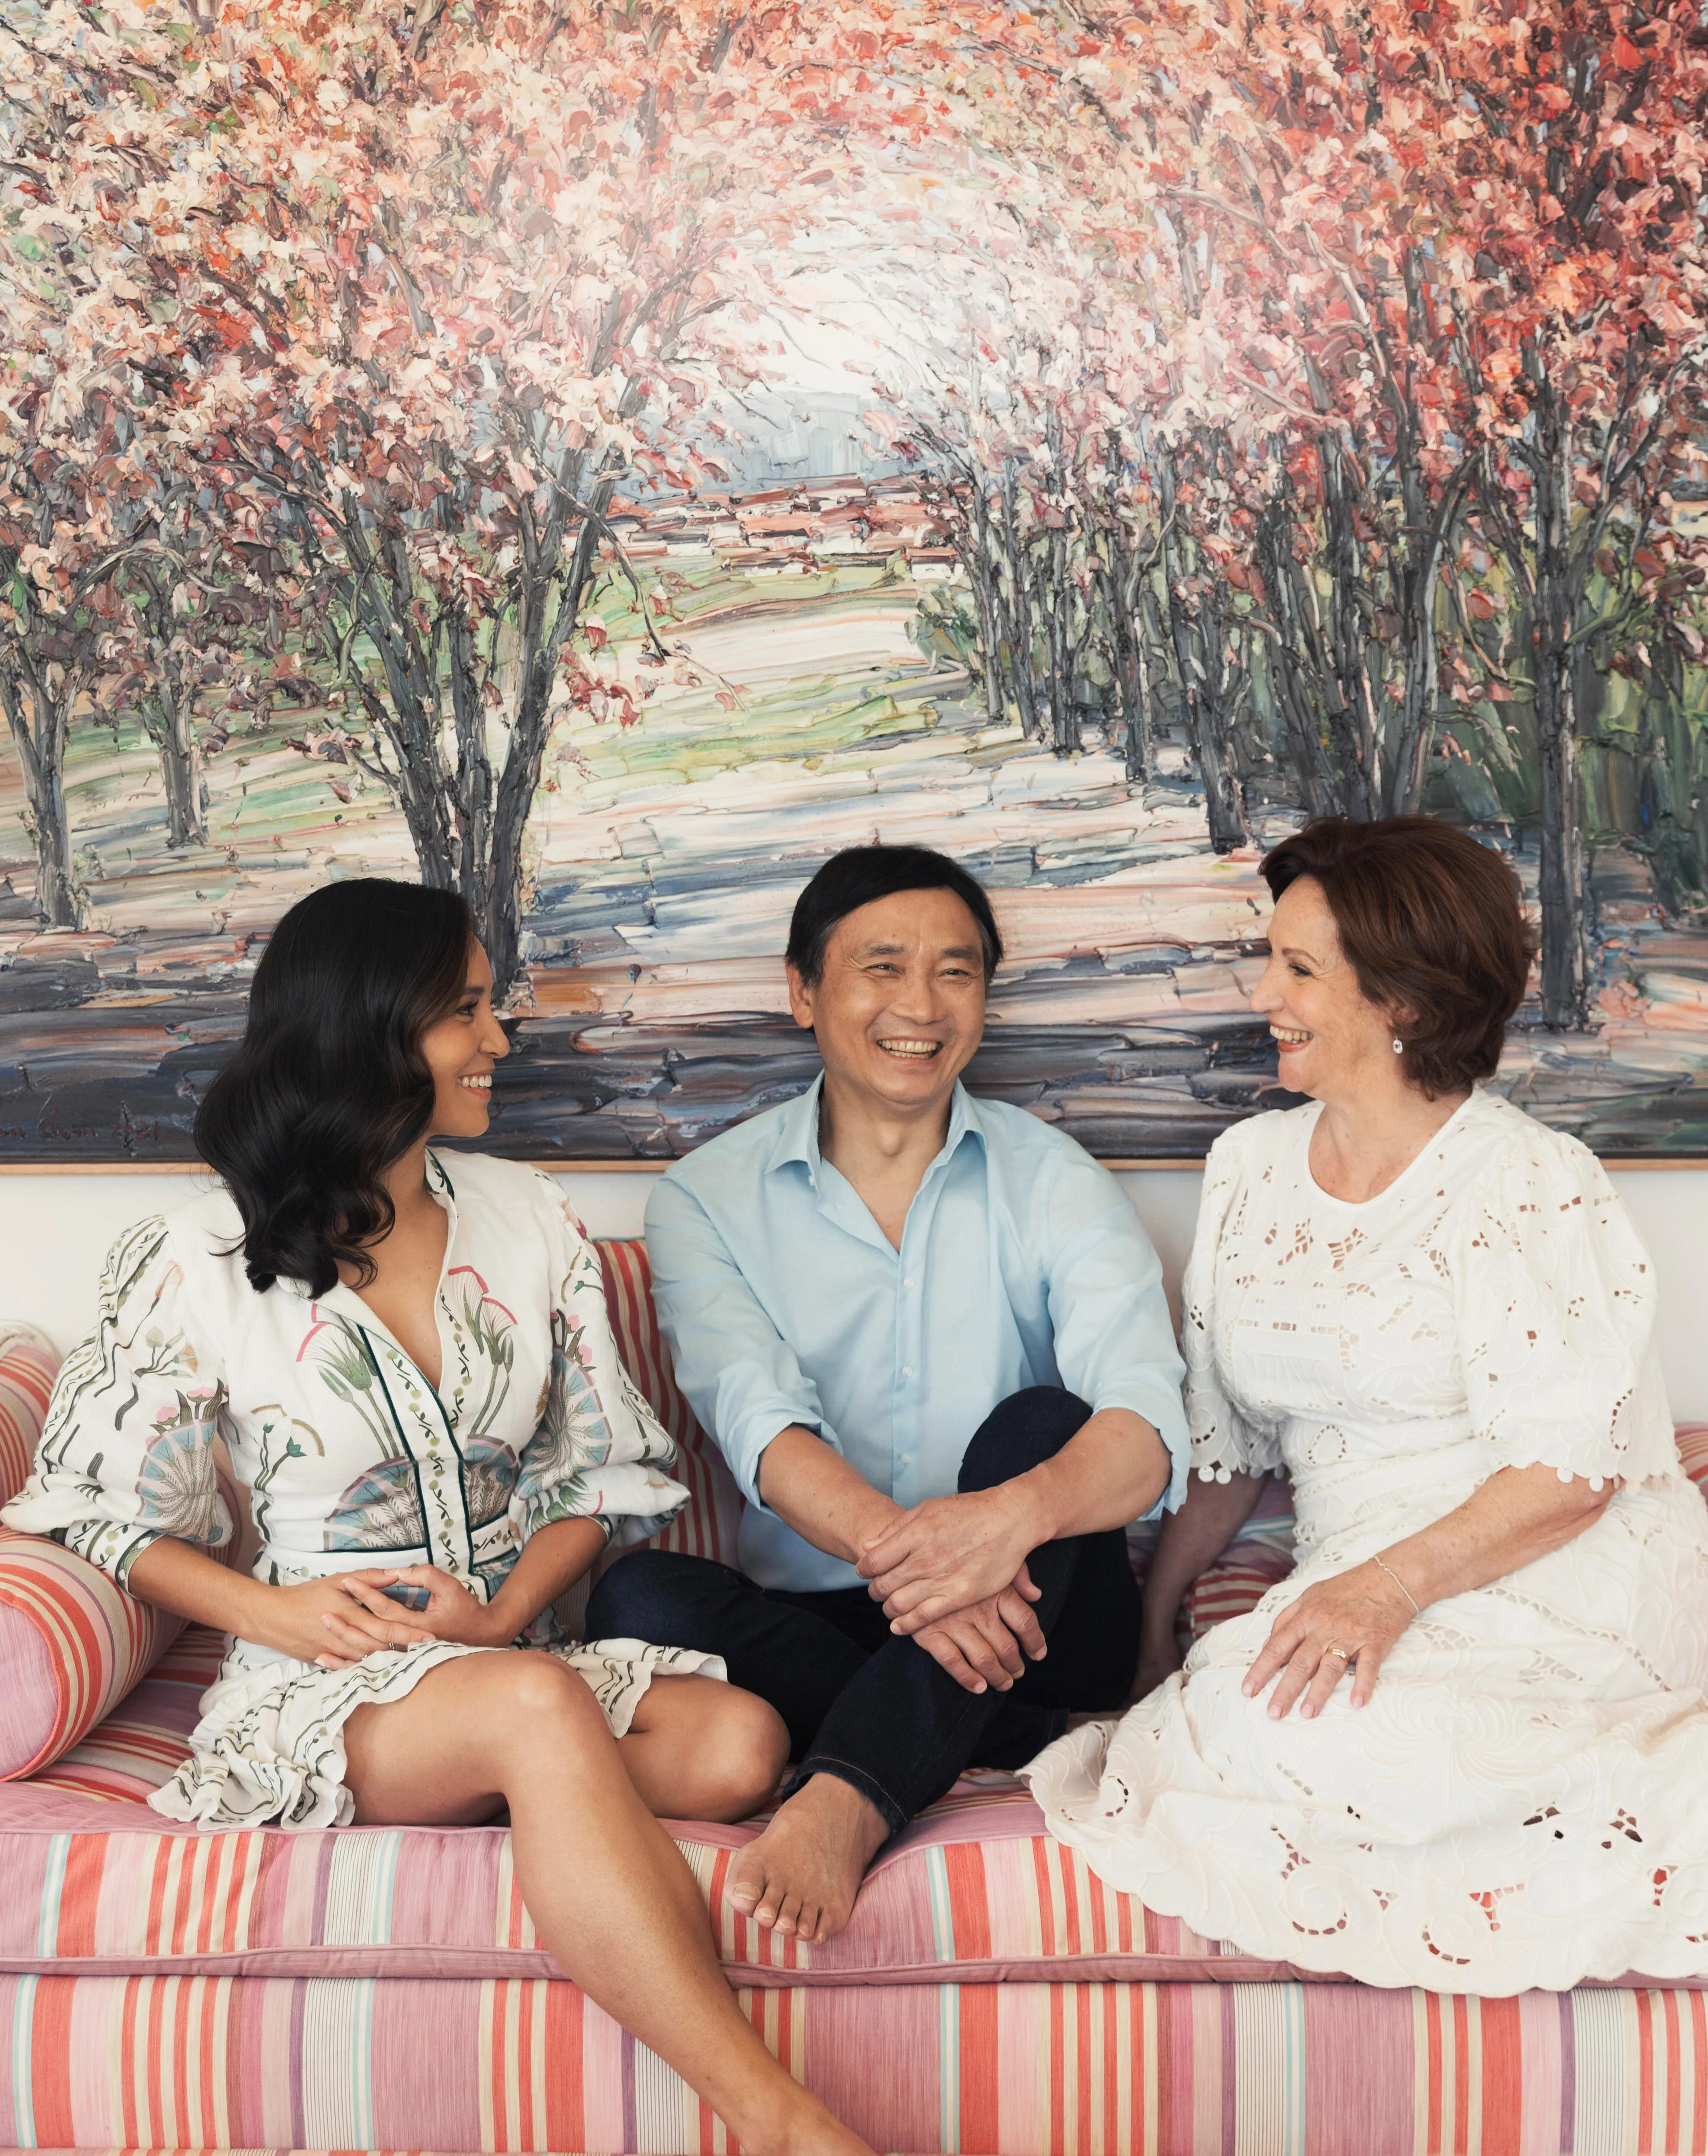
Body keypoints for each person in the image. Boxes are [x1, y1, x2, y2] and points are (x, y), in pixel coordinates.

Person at [2, 879, 874, 2156]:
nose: (501, 1038)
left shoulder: (529, 1220)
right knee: (537, 1710)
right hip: (323, 1683)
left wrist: (511, 1611)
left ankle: (517, 1775)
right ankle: (776, 2117)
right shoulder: (196, 1252)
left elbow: (603, 1473)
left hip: (507, 1646)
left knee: (739, 1743)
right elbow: (91, 1511)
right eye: (469, 1009)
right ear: (372, 1031)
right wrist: (275, 1611)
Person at [1025, 814, 1708, 1995]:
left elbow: (1571, 1472)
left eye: (1299, 968)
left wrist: (1385, 1589)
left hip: (1546, 1571)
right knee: (1230, 1725)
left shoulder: (1529, 1178)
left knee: (1329, 1737)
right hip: (1351, 1572)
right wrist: (1153, 1625)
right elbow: (1227, 1450)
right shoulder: (1245, 1166)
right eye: (1269, 956)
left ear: (1401, 999)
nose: (1264, 993)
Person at [587, 842, 1189, 1944]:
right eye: (883, 966)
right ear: (803, 988)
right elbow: (758, 1427)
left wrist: (996, 1530)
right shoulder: (705, 1198)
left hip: (1045, 1607)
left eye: (956, 971)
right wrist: (927, 1575)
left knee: (1044, 1425)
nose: (921, 1003)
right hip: (837, 1616)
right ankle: (1002, 1728)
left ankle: (855, 1788)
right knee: (636, 1599)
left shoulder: (1056, 1179)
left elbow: (1149, 1431)